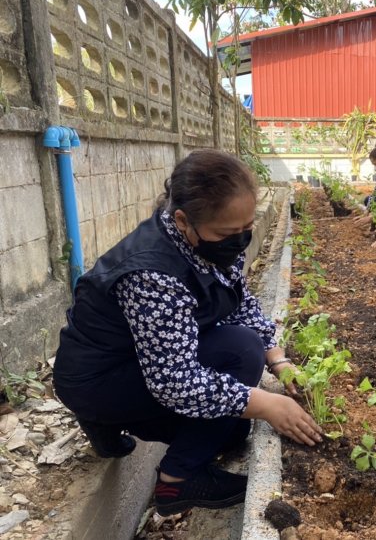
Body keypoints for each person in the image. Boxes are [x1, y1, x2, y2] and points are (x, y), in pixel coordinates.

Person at [53, 150, 322, 516]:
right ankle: (175, 482)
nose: (240, 241)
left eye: (247, 229)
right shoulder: (153, 274)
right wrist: (265, 403)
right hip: (98, 379)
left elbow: (238, 300)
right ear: (183, 220)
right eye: (229, 234)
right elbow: (174, 383)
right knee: (241, 351)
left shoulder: (213, 243)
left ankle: (107, 424)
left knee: (232, 432)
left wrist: (278, 358)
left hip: (134, 363)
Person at [355, 145, 376, 228]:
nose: (375, 168)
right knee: (369, 199)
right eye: (373, 165)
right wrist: (366, 211)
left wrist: (371, 217)